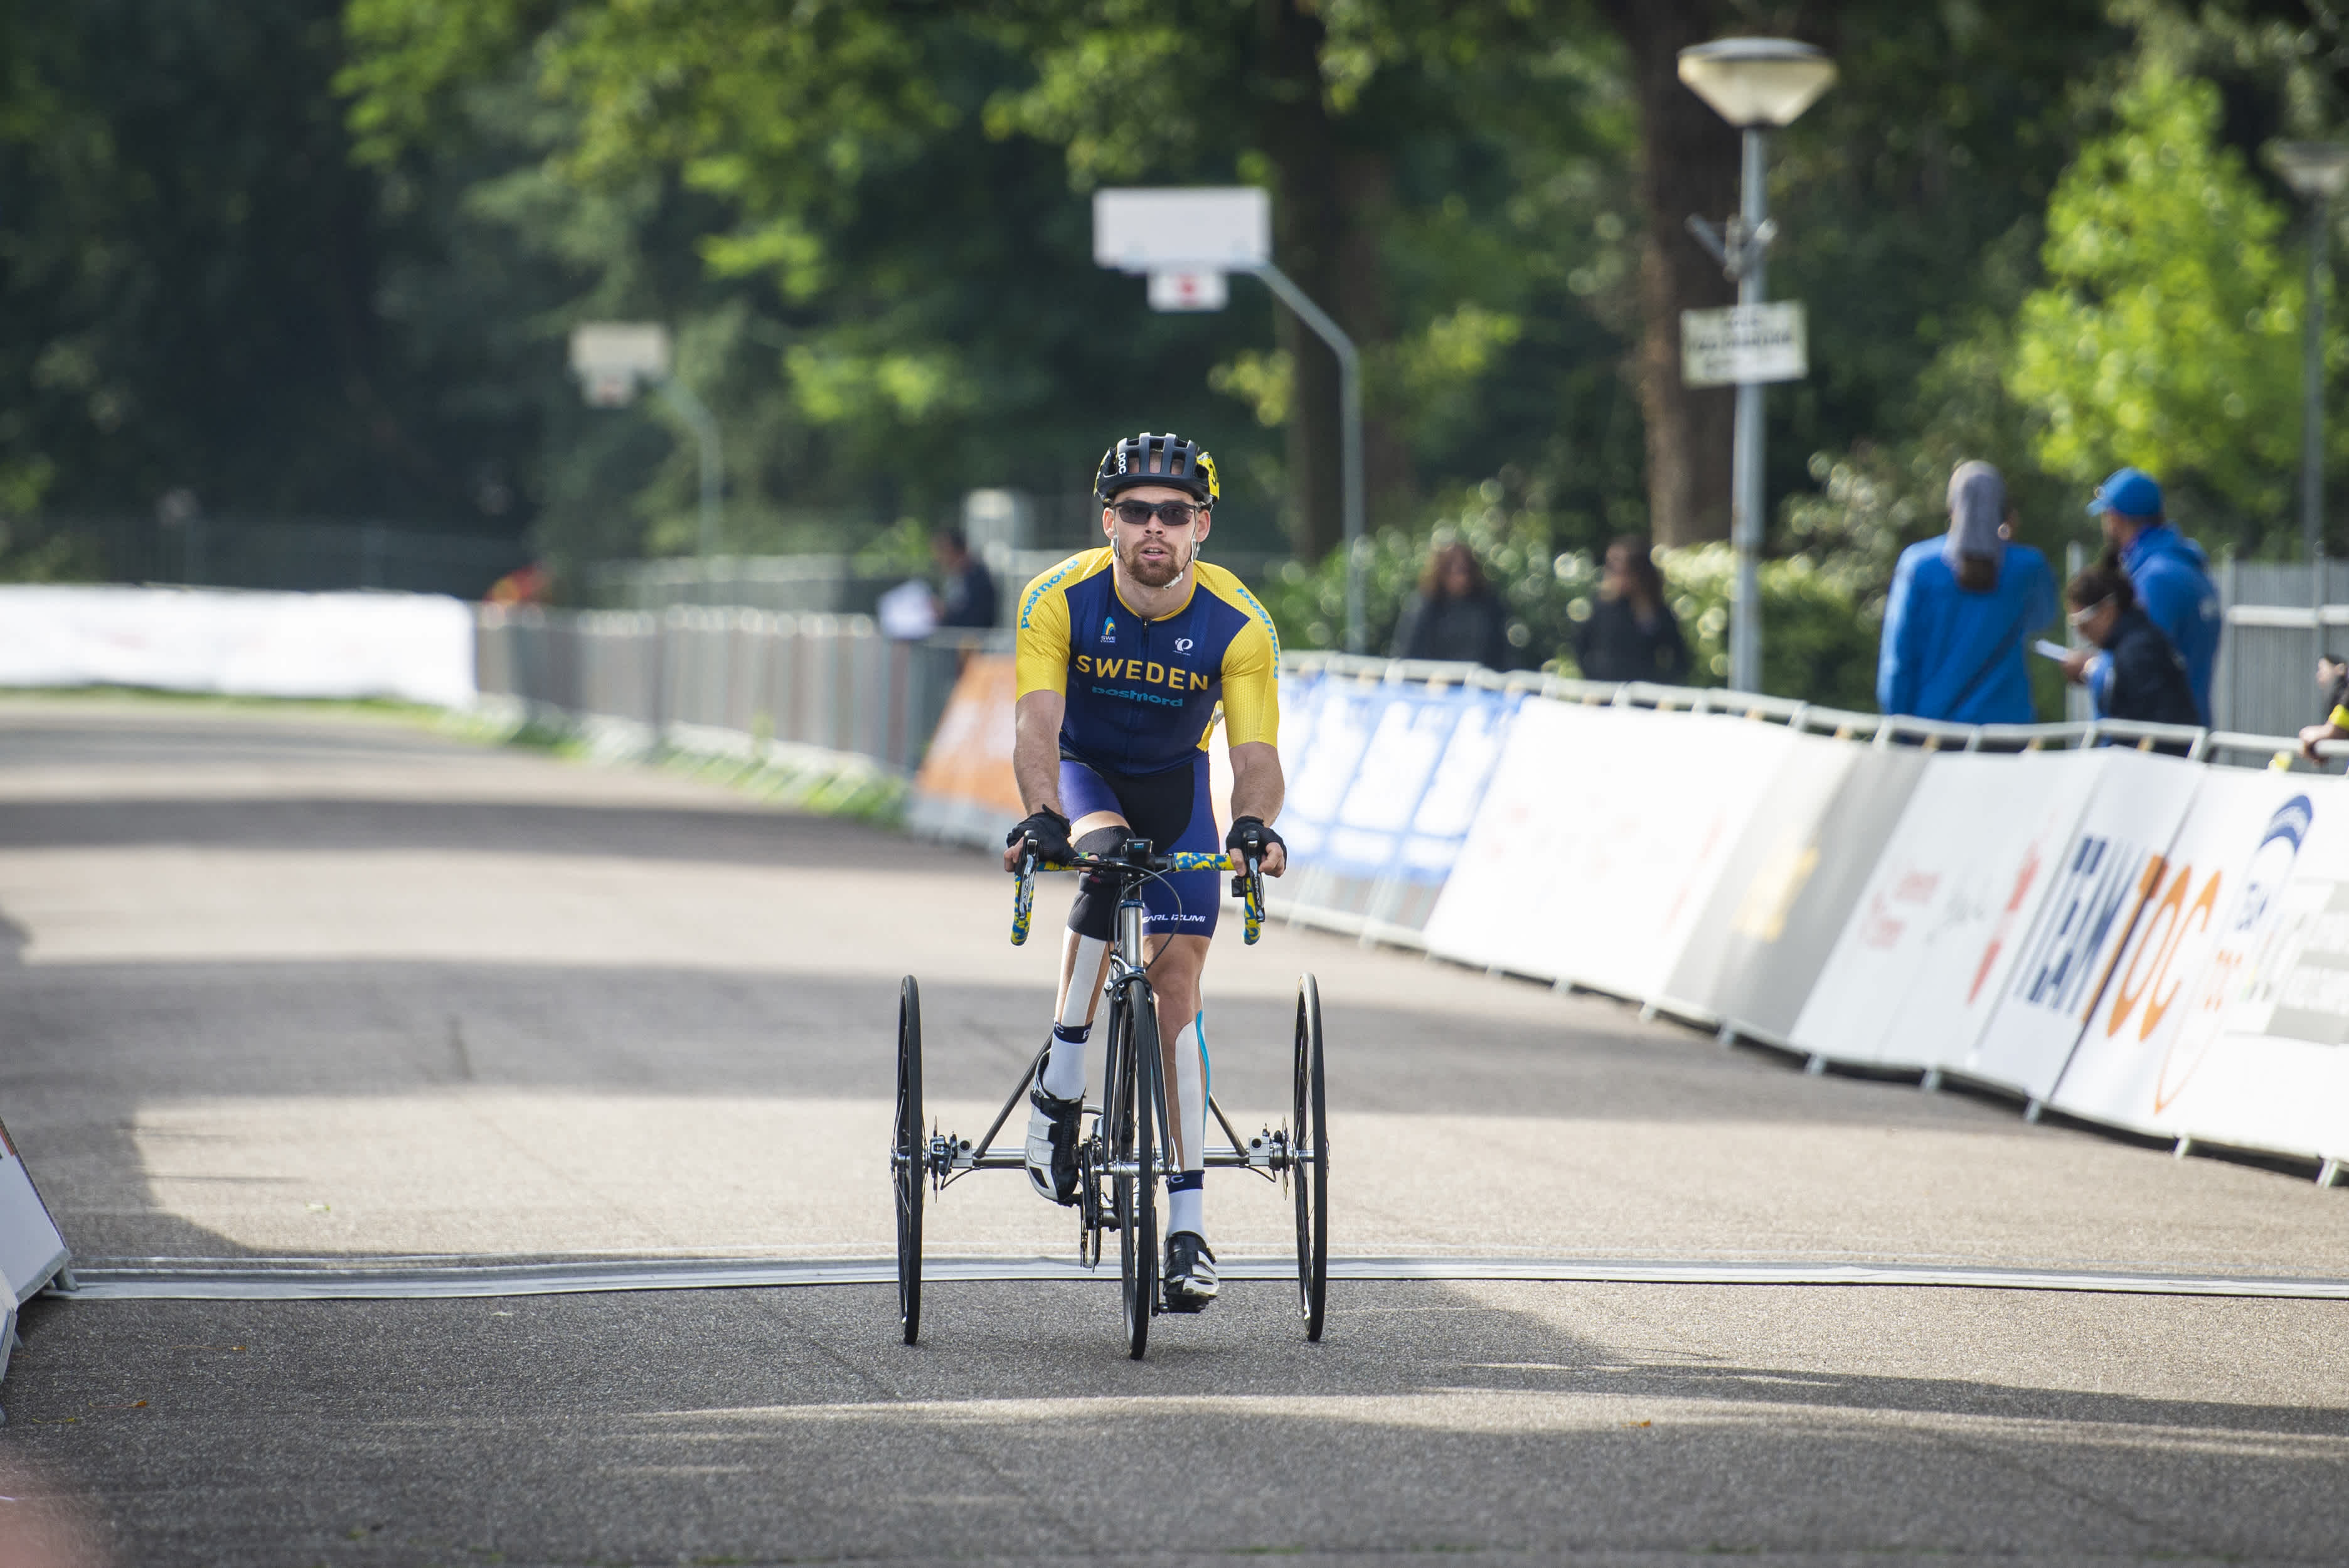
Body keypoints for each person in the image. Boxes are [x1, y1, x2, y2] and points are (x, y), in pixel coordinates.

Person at [1002, 430, 1287, 1312]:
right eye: (1136, 511)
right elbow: (1036, 728)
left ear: (1201, 525)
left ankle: (1190, 1227)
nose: (1153, 528)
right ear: (1109, 521)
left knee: (1178, 984)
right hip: (1085, 772)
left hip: (1176, 787)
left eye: (1173, 513)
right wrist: (1047, 812)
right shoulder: (1058, 597)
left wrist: (1250, 826)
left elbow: (1255, 754)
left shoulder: (1240, 621)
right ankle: (1062, 1081)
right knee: (1103, 857)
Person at [1876, 461, 2057, 724]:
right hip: (2008, 727)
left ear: (1952, 507)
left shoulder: (1918, 565)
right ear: (2004, 510)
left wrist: (1898, 723)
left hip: (1932, 730)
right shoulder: (2028, 566)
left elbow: (1897, 661)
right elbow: (2044, 620)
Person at [2059, 467, 2221, 724]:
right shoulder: (2189, 569)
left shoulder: (2156, 579)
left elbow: (2141, 665)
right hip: (2189, 729)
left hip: (2156, 740)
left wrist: (2090, 669)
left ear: (2116, 519)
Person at [2065, 556, 2200, 728]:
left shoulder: (2137, 652)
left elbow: (2157, 723)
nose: (2081, 633)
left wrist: (2092, 670)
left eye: (2082, 623)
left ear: (2108, 611)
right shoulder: (2138, 641)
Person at [1570, 534, 1688, 683]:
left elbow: (1679, 659)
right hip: (1606, 695)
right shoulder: (1603, 607)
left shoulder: (1657, 611)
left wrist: (1663, 690)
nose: (1613, 575)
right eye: (1611, 567)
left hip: (1643, 696)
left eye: (1621, 570)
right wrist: (1593, 681)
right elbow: (1580, 647)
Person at [1391, 541, 1512, 669]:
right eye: (1451, 569)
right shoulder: (1423, 607)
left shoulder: (1488, 606)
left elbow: (1501, 654)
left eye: (1464, 570)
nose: (1460, 577)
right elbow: (1408, 655)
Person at [930, 528, 999, 629]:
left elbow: (977, 619)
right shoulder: (953, 578)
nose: (940, 557)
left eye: (943, 550)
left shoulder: (979, 579)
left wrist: (946, 613)